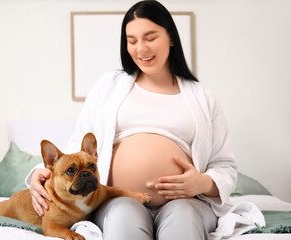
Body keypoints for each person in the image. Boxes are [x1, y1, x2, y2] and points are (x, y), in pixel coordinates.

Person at [26, 1, 238, 239]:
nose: (141, 49)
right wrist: (38, 173)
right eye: (132, 40)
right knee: (123, 220)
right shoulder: (108, 86)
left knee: (183, 220)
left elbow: (225, 165)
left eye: (150, 37)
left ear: (171, 37)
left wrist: (202, 184)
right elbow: (76, 148)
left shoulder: (203, 97)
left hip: (187, 202)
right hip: (120, 200)